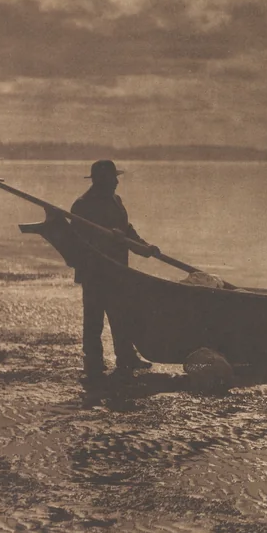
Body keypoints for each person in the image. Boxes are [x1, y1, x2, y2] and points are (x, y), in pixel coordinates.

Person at [70, 160, 161, 380]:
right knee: (94, 319)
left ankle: (126, 356)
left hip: (118, 271)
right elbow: (78, 241)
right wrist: (110, 239)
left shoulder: (115, 200)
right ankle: (93, 361)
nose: (117, 183)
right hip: (95, 272)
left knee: (122, 315)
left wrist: (145, 247)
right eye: (113, 179)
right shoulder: (83, 205)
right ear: (102, 181)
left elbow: (127, 230)